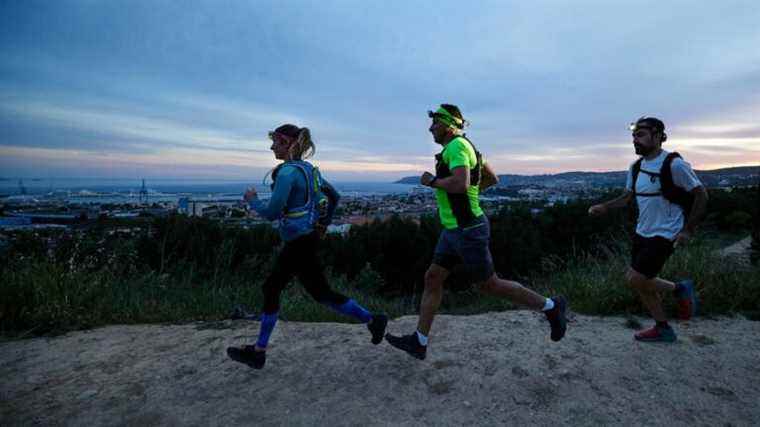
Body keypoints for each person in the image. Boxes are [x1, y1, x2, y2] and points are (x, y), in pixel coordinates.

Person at [385, 104, 568, 360]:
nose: (430, 129)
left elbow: (460, 183)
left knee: (490, 285)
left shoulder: (457, 147)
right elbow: (492, 178)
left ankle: (551, 307)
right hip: (453, 230)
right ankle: (419, 341)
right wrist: (471, 193)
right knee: (433, 278)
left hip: (468, 230)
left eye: (435, 123)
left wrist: (433, 182)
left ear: (449, 125)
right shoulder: (470, 148)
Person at [227, 124, 387, 369]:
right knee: (319, 293)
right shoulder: (309, 170)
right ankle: (372, 320)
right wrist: (324, 224)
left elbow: (271, 213)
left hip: (298, 241)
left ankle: (259, 351)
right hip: (307, 238)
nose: (272, 147)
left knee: (274, 287)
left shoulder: (287, 173)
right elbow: (334, 197)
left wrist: (253, 201)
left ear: (288, 143)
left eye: (276, 143)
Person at [589, 116, 708, 342]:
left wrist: (687, 230)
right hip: (643, 231)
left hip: (666, 232)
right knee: (642, 282)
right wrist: (604, 207)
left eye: (641, 135)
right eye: (634, 136)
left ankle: (678, 290)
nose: (635, 140)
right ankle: (663, 326)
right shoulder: (635, 168)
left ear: (658, 136)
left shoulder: (675, 164)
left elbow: (701, 195)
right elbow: (627, 197)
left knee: (635, 278)